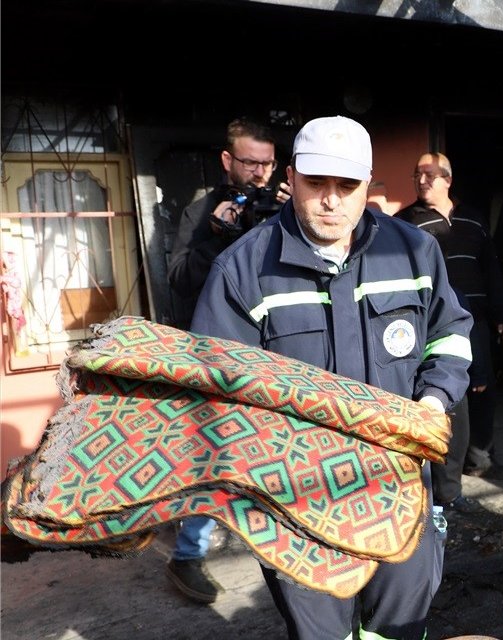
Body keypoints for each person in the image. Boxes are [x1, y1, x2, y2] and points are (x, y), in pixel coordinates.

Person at [190, 115, 473, 640]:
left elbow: (450, 334)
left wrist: (435, 400)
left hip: (400, 490)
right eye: (316, 183)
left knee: (400, 627)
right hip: (299, 507)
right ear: (292, 178)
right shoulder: (242, 270)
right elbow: (218, 392)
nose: (331, 201)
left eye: (347, 186)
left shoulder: (414, 251)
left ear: (367, 185)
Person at [163, 116, 290, 604]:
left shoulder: (286, 206)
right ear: (227, 160)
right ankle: (188, 556)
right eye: (250, 162)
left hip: (276, 351)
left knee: (277, 449)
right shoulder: (202, 212)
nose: (259, 173)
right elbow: (177, 279)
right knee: (211, 453)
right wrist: (216, 234)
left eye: (267, 163)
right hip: (218, 353)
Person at [394, 152, 503, 515]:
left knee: (484, 390)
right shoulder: (405, 224)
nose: (421, 181)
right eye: (417, 174)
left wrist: (501, 311)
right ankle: (445, 481)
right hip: (437, 324)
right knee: (449, 398)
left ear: (448, 179)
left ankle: (481, 456)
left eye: (430, 175)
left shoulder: (472, 219)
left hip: (476, 319)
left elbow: (490, 268)